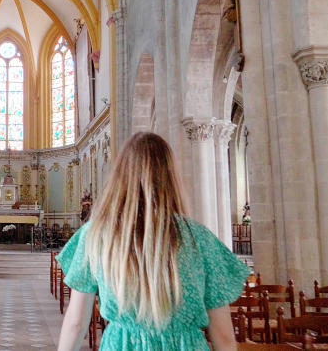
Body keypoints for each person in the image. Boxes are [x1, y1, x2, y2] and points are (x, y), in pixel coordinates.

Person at [57, 132, 249, 350]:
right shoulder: (201, 239)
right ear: (170, 177)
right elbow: (223, 335)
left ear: (120, 176)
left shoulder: (96, 235)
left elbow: (76, 323)